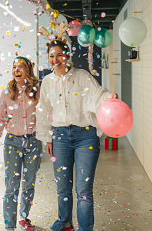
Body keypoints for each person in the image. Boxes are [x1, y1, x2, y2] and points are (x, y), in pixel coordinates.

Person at [37, 39, 118, 231]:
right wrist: (48, 137)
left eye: (59, 54)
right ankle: (64, 222)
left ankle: (84, 228)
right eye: (51, 55)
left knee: (83, 190)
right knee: (62, 187)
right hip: (60, 137)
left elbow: (97, 94)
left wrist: (109, 98)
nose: (55, 59)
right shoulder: (47, 82)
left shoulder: (82, 76)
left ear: (67, 56)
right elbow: (44, 110)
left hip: (85, 136)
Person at [0, 57, 42, 231]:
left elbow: (45, 115)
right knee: (12, 186)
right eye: (14, 67)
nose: (16, 70)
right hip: (13, 143)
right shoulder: (7, 92)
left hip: (34, 141)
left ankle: (24, 218)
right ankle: (9, 225)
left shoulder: (37, 91)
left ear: (28, 71)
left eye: (21, 67)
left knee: (29, 183)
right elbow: (1, 117)